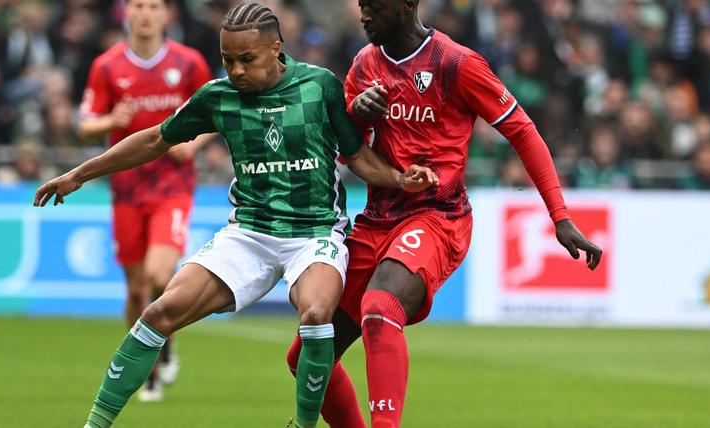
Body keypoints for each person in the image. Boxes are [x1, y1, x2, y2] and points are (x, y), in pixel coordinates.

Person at [33, 4, 438, 427]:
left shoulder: (319, 86)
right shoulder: (218, 97)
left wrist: (397, 178)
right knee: (158, 313)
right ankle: (94, 424)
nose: (237, 71)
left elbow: (356, 156)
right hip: (249, 232)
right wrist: (79, 174)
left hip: (315, 233)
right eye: (228, 60)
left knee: (317, 316)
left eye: (247, 59)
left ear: (276, 49)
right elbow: (155, 139)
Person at [284, 1, 604, 427]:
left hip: (438, 217)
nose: (364, 15)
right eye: (362, 5)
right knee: (308, 353)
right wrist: (356, 115)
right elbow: (350, 152)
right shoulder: (363, 64)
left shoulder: (457, 63)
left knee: (379, 308)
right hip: (377, 217)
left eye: (374, 6)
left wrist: (559, 216)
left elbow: (522, 130)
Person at [77, 0, 213, 401]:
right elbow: (85, 124)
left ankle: (162, 343)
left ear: (166, 14)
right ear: (127, 14)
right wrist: (110, 121)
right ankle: (148, 365)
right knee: (136, 290)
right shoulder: (107, 66)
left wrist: (195, 144)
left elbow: (215, 112)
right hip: (126, 189)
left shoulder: (188, 63)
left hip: (172, 184)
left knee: (158, 275)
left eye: (154, 5)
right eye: (139, 5)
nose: (147, 13)